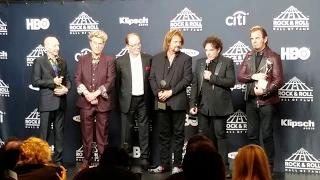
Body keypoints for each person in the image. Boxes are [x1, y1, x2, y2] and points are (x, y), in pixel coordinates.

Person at [237, 25, 284, 172]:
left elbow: (278, 80)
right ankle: (254, 167)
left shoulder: (273, 57)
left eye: (257, 38)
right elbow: (240, 76)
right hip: (250, 101)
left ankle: (268, 168)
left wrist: (264, 91)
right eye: (252, 39)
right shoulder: (249, 55)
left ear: (265, 39)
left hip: (267, 102)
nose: (254, 41)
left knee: (267, 136)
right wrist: (253, 76)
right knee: (252, 136)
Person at [189, 36, 235, 178]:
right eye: (206, 50)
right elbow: (195, 85)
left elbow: (231, 82)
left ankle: (224, 168)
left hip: (220, 107)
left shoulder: (227, 62)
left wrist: (212, 77)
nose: (208, 53)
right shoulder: (200, 63)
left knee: (220, 136)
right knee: (206, 139)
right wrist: (193, 104)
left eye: (211, 50)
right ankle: (208, 167)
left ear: (218, 50)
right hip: (204, 107)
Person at [149, 29, 192, 174]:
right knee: (163, 134)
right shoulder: (156, 58)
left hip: (178, 102)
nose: (178, 44)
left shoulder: (186, 58)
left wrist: (170, 92)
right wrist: (158, 92)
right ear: (168, 42)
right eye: (175, 41)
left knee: (179, 134)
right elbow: (152, 78)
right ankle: (164, 164)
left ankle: (177, 165)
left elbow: (187, 79)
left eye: (180, 42)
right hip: (161, 101)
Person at [74, 30, 116, 172]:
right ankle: (86, 161)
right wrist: (87, 94)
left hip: (103, 103)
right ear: (90, 43)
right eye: (95, 43)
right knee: (86, 134)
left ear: (104, 44)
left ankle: (103, 163)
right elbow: (77, 79)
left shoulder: (109, 60)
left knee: (102, 135)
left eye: (100, 43)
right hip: (85, 102)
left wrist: (96, 94)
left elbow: (111, 81)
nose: (97, 46)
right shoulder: (82, 59)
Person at [31, 36, 71, 167]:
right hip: (47, 103)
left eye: (58, 45)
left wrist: (66, 89)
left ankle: (58, 162)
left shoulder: (63, 61)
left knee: (59, 134)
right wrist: (52, 82)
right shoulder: (39, 61)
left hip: (61, 102)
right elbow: (35, 81)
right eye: (54, 46)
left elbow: (68, 79)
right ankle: (43, 162)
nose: (57, 48)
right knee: (44, 135)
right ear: (46, 47)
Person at [115, 33, 153, 170]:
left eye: (138, 43)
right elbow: (117, 84)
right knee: (126, 132)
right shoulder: (120, 61)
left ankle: (145, 159)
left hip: (144, 99)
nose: (137, 47)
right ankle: (125, 160)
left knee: (144, 131)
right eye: (133, 45)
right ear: (127, 46)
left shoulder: (148, 59)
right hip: (127, 100)